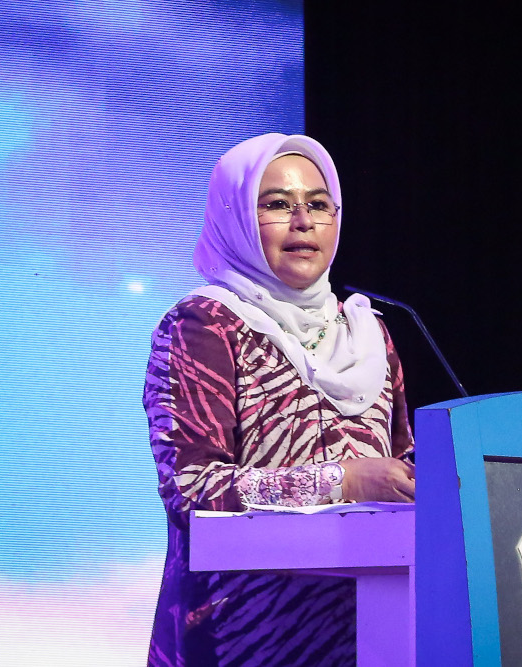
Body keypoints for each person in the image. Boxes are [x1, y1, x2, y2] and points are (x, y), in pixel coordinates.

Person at [143, 133, 415, 666]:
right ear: (236, 216)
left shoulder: (370, 331)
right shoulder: (205, 325)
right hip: (244, 633)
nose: (303, 221)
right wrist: (345, 481)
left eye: (318, 204)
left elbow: (403, 467)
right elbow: (192, 491)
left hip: (374, 629)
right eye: (275, 205)